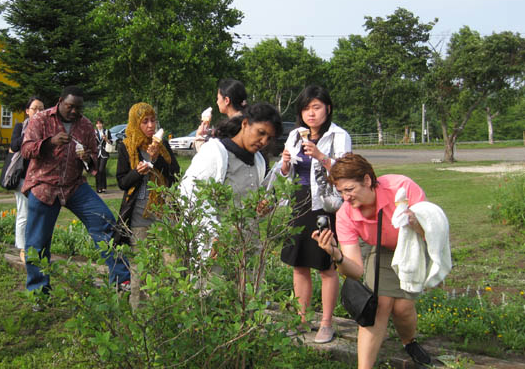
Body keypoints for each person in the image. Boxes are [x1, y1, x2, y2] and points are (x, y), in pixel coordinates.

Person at [312, 153, 433, 369]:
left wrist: (415, 223)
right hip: (381, 248)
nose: (345, 197)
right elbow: (356, 271)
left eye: (349, 190)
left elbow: (432, 232)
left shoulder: (402, 188)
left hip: (413, 243)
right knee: (379, 305)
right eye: (340, 192)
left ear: (367, 181)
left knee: (403, 308)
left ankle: (409, 341)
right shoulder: (345, 215)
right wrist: (335, 254)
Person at [21, 86, 130, 296]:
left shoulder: (85, 125)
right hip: (44, 185)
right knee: (37, 242)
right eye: (70, 107)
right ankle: (39, 293)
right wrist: (49, 142)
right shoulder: (41, 120)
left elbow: (94, 161)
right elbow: (26, 149)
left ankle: (121, 280)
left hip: (74, 185)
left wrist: (87, 159)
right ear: (60, 101)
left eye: (78, 108)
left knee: (104, 220)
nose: (74, 112)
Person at [272, 85, 351, 343]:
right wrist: (284, 164)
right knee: (299, 263)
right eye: (306, 108)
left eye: (316, 107)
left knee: (325, 265)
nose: (311, 114)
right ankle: (301, 319)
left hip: (324, 205)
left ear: (327, 108)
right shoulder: (295, 134)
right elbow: (286, 173)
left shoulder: (339, 136)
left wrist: (321, 156)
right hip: (298, 202)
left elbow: (346, 172)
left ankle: (326, 323)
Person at [180, 103, 282, 263]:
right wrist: (211, 235)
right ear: (245, 124)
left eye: (269, 138)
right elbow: (189, 195)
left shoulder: (259, 161)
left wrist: (265, 205)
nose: (263, 141)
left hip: (248, 247)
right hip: (216, 249)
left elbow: (265, 195)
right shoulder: (216, 153)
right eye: (260, 133)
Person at [116, 103, 180, 309]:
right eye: (145, 121)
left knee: (172, 261)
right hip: (139, 214)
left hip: (163, 211)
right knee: (140, 266)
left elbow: (174, 174)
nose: (151, 125)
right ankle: (140, 313)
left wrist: (157, 158)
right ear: (136, 123)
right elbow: (122, 182)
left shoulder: (162, 146)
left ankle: (171, 310)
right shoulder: (126, 146)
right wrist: (138, 172)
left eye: (153, 120)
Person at [10, 96, 45, 263]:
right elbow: (15, 145)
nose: (38, 112)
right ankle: (23, 248)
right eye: (35, 109)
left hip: (40, 177)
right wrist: (30, 132)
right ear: (27, 111)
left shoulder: (46, 128)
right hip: (23, 176)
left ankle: (36, 247)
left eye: (41, 109)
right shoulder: (20, 127)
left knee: (38, 213)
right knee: (23, 213)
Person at [94, 119, 112, 193]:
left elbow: (111, 142)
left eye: (100, 123)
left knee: (101, 169)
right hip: (96, 153)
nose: (99, 125)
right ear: (96, 125)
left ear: (102, 124)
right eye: (97, 124)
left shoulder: (107, 131)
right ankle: (99, 187)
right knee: (98, 171)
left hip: (104, 152)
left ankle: (103, 186)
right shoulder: (94, 132)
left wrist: (106, 139)